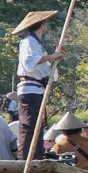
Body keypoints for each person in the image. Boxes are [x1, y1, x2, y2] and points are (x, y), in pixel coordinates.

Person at [11, 10, 65, 160]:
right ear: (42, 25)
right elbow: (30, 61)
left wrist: (56, 59)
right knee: (29, 126)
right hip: (29, 89)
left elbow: (48, 71)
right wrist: (51, 56)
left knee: (37, 126)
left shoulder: (37, 45)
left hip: (38, 89)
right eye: (45, 22)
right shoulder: (28, 41)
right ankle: (27, 158)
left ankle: (36, 156)